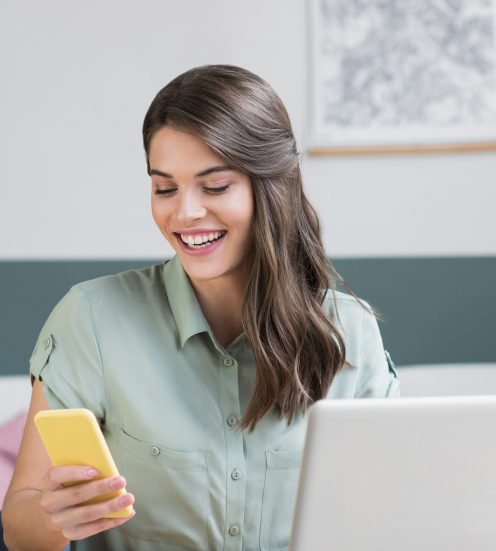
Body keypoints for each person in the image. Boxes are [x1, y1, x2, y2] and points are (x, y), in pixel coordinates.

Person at [2, 65, 400, 551]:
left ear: (272, 187)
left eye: (214, 186)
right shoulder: (91, 318)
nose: (184, 213)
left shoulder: (349, 331)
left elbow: (388, 515)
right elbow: (18, 522)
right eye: (164, 187)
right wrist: (52, 519)